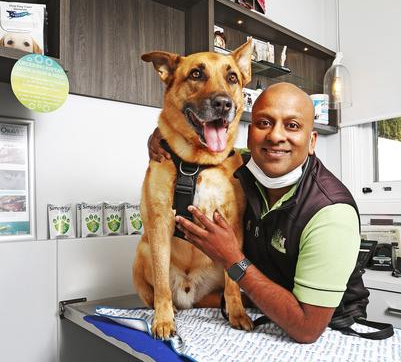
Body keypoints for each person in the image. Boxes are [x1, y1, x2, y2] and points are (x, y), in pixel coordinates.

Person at [149, 82, 368, 344]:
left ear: (311, 141)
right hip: (262, 314)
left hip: (328, 331)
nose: (275, 136)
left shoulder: (330, 212)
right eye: (264, 123)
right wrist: (159, 137)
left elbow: (307, 329)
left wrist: (232, 258)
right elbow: (192, 145)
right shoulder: (240, 166)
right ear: (250, 134)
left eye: (292, 126)